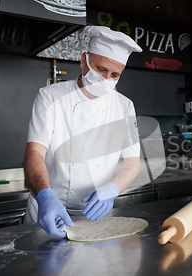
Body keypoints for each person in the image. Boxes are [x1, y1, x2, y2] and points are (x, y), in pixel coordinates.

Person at [23, 25, 143, 238]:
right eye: (101, 69)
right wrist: (44, 196)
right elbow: (35, 152)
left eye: (115, 75)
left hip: (95, 216)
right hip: (48, 211)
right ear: (83, 60)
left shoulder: (124, 106)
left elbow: (133, 162)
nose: (106, 79)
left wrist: (112, 189)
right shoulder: (50, 96)